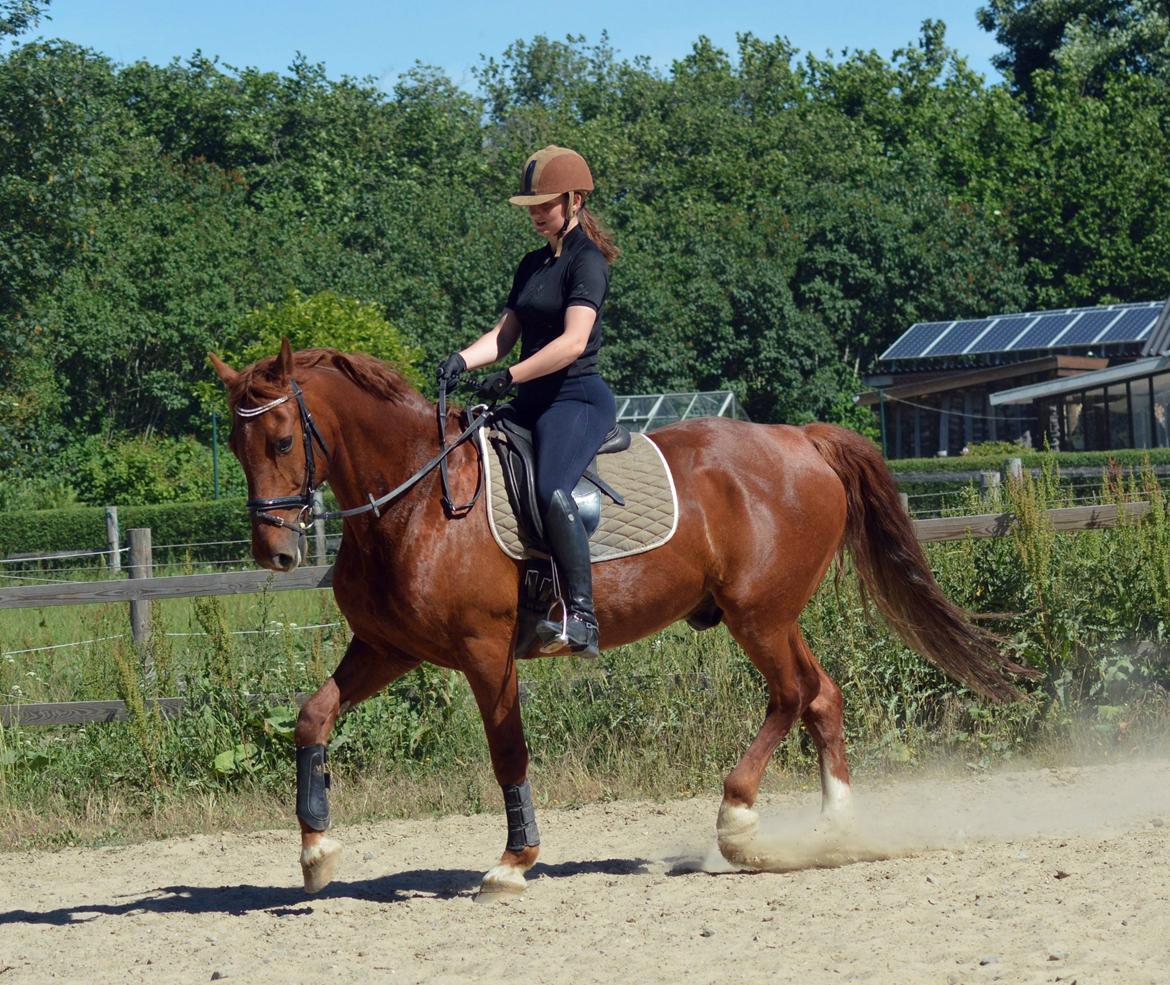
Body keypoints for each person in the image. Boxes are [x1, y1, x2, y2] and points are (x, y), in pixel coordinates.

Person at [436, 146, 619, 659]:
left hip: (575, 397)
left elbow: (572, 342)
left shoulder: (588, 262)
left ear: (575, 200)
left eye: (546, 204)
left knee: (550, 488)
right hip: (531, 397)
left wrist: (509, 376)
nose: (537, 214)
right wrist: (462, 361)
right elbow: (503, 335)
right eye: (531, 206)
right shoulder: (533, 264)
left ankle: (582, 615)